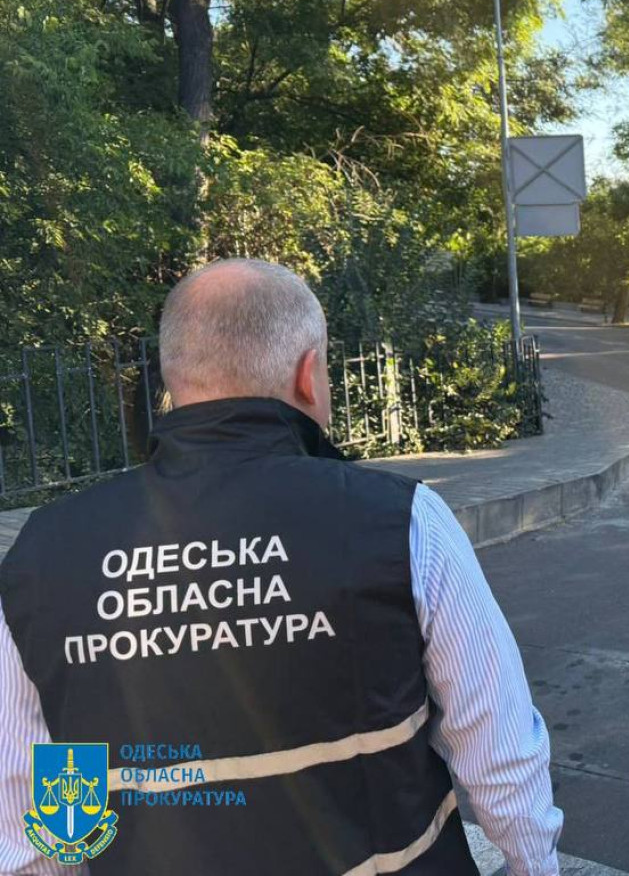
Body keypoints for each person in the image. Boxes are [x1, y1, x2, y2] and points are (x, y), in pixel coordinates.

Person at [0, 259, 562, 875]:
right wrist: (533, 865)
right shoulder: (399, 519)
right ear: (307, 375)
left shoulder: (41, 557)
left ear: (174, 379)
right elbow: (498, 748)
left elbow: (27, 819)